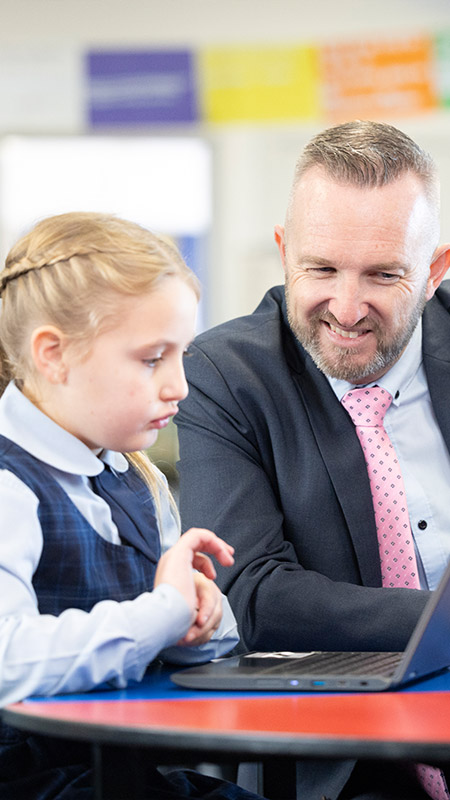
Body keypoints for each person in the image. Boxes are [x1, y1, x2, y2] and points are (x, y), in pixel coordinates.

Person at [175, 120, 450, 799]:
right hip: (340, 753)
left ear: (435, 270)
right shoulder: (223, 373)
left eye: (384, 275)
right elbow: (260, 595)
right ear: (283, 252)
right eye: (321, 269)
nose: (347, 308)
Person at [0, 212, 265, 800]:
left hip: (120, 772)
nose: (179, 387)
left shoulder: (134, 478)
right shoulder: (8, 486)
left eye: (182, 356)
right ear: (53, 354)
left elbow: (191, 635)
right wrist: (161, 613)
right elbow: (7, 662)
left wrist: (199, 617)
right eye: (151, 359)